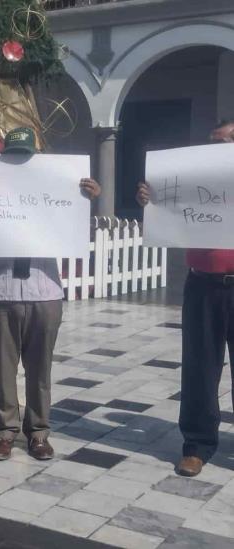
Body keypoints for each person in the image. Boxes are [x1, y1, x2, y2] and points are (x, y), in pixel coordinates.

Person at [0, 127, 101, 461]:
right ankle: (4, 433)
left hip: (43, 290)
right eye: (13, 155)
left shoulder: (54, 185)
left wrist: (85, 201)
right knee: (2, 369)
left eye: (25, 155)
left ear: (36, 155)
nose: (18, 162)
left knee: (40, 369)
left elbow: (74, 233)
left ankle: (39, 432)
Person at [137, 119, 234, 477]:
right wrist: (150, 200)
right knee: (199, 369)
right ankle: (196, 444)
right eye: (216, 139)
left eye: (230, 139)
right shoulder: (192, 179)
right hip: (203, 285)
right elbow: (167, 208)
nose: (223, 145)